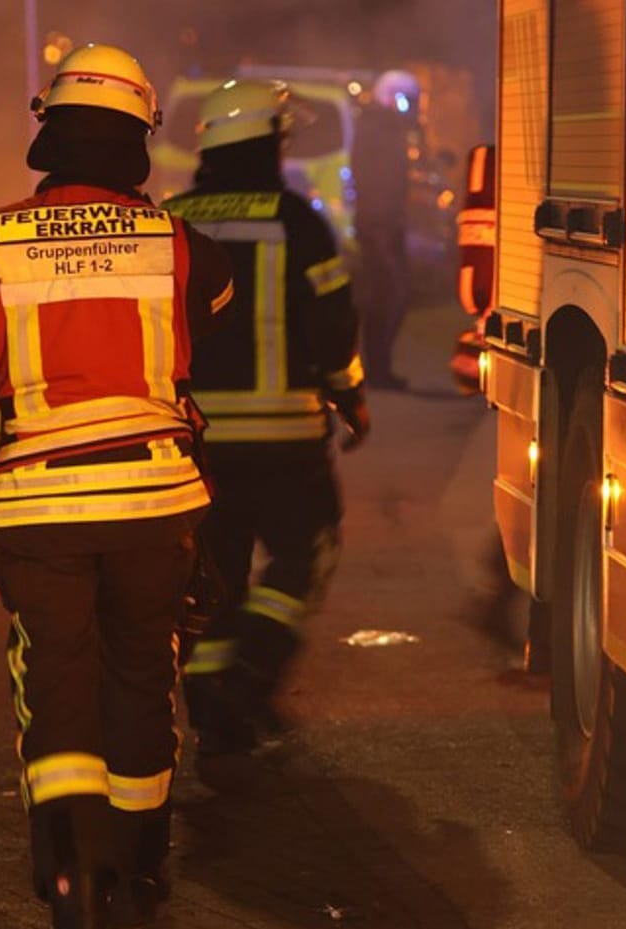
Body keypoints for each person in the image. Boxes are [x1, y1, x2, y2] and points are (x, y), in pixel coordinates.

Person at [0, 44, 233, 929]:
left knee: (54, 675)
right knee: (140, 672)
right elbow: (217, 306)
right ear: (139, 137)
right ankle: (135, 868)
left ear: (48, 131)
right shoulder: (175, 242)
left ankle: (72, 871)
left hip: (36, 509)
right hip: (155, 505)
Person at [163, 79, 370, 763]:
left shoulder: (171, 222)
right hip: (284, 437)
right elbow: (332, 322)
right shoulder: (299, 220)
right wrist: (349, 396)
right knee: (304, 552)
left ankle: (213, 704)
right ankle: (248, 675)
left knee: (212, 574)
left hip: (194, 442)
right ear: (264, 144)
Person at [350, 69, 419, 390]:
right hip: (379, 224)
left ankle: (379, 368)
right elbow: (376, 179)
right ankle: (377, 370)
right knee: (387, 295)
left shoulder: (384, 126)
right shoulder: (377, 127)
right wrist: (382, 221)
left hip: (384, 222)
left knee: (390, 295)